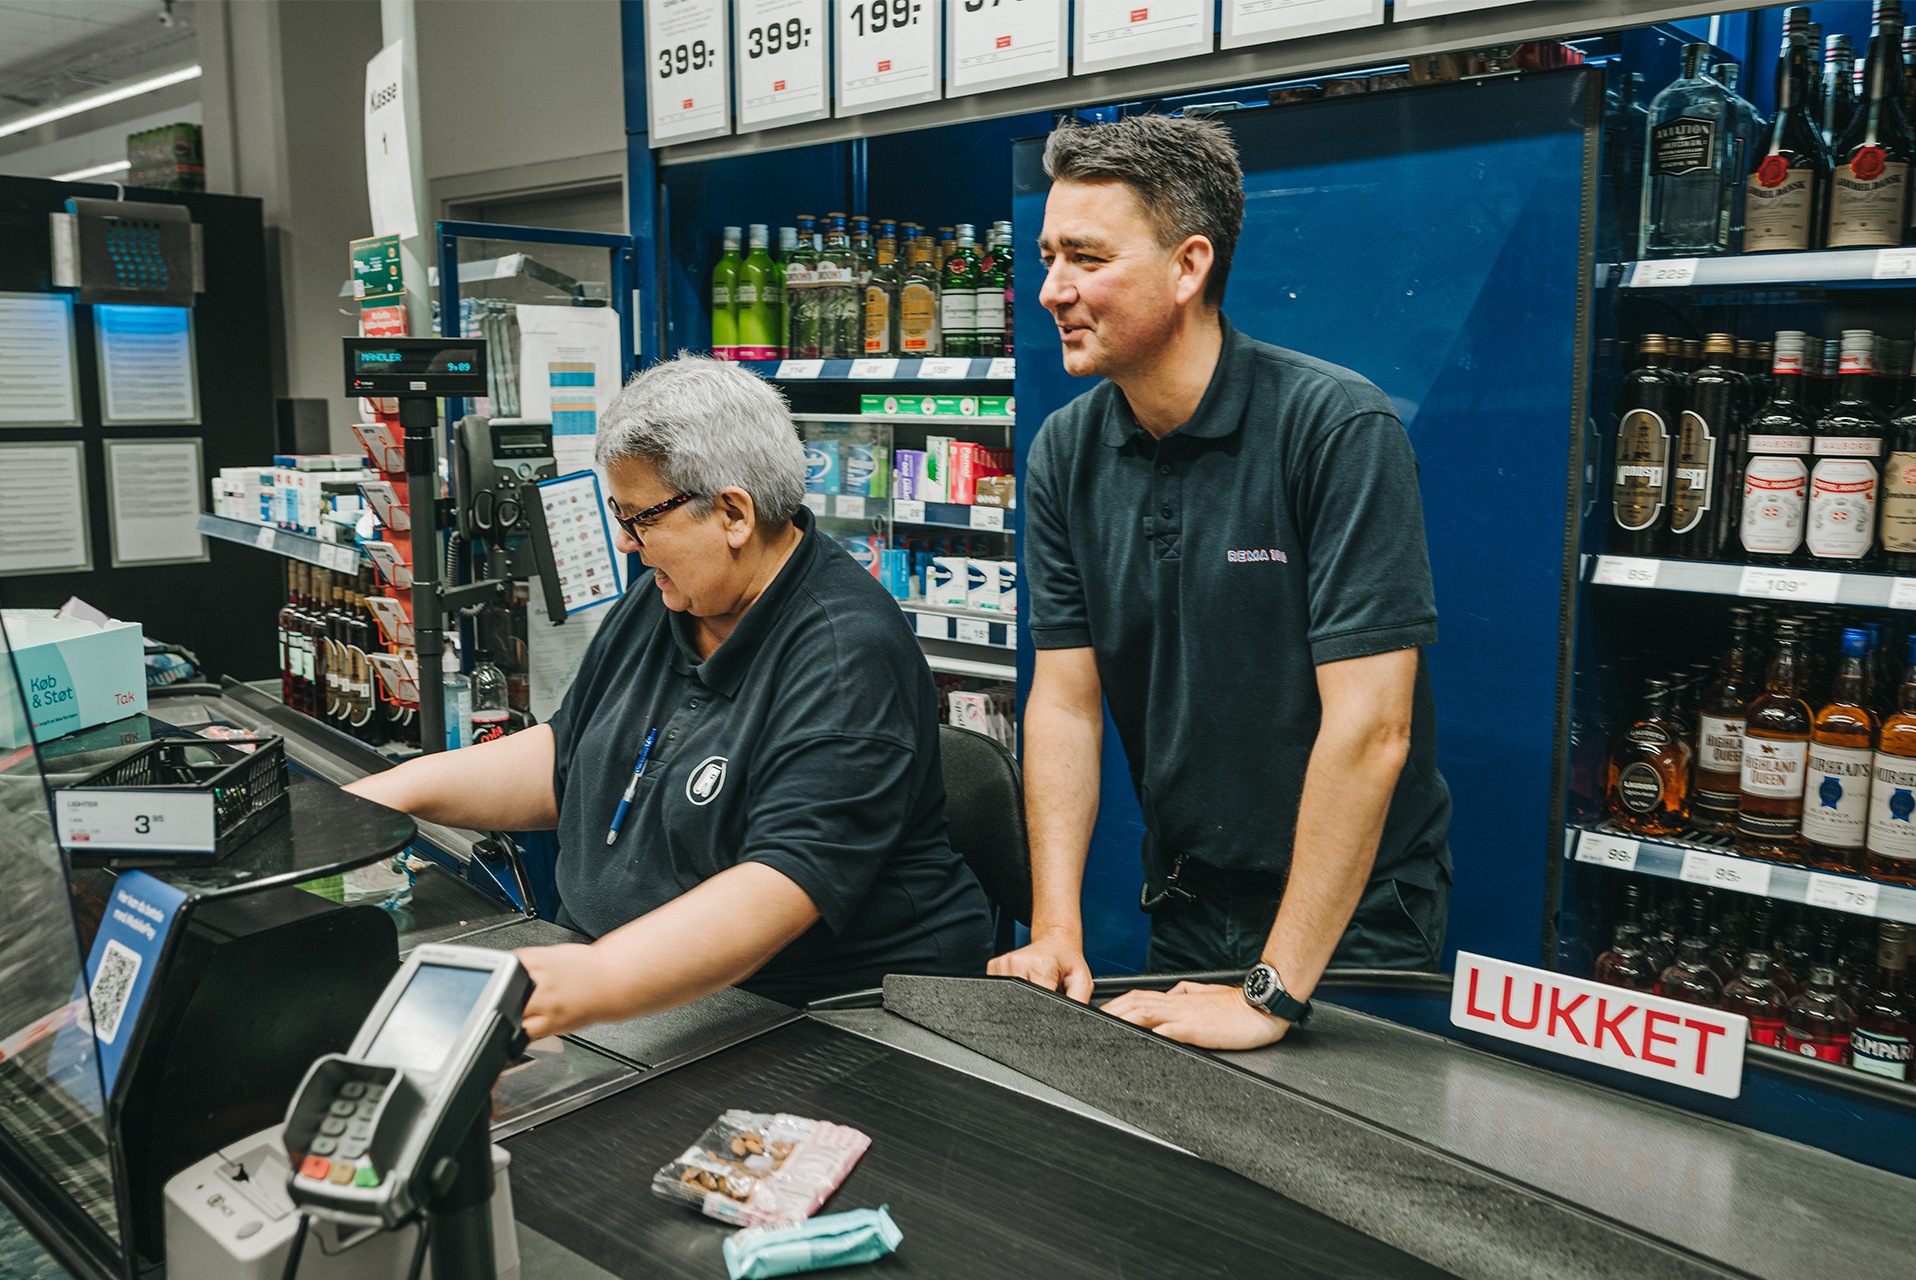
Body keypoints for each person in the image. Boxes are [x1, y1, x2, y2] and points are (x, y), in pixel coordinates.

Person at [348, 355, 991, 1039]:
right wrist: (390, 795)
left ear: (734, 513)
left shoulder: (845, 653)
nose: (627, 543)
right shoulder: (673, 597)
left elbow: (778, 887)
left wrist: (577, 985)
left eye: (639, 518)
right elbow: (570, 759)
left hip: (813, 1013)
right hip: (643, 990)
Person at [988, 114, 1452, 1051]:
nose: (1052, 290)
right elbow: (1066, 704)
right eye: (1047, 256)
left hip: (1355, 916)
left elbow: (1372, 731)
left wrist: (1272, 993)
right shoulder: (1065, 454)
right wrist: (1055, 930)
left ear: (1189, 267)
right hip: (1192, 901)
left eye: (1085, 256)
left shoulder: (1336, 430)